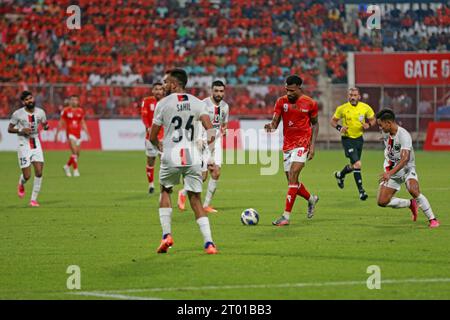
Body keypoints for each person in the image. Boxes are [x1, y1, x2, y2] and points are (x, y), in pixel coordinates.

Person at [150, 68, 219, 254]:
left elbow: (152, 135)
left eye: (166, 82)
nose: (163, 85)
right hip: (193, 156)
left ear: (173, 84)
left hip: (171, 154)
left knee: (165, 190)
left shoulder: (163, 104)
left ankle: (167, 236)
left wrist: (159, 146)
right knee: (195, 199)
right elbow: (211, 130)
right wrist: (208, 154)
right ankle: (209, 243)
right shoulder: (198, 103)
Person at [264, 75, 320, 226]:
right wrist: (270, 126)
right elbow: (275, 123)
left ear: (299, 88)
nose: (288, 93)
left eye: (292, 90)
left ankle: (286, 216)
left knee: (294, 174)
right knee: (291, 181)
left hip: (303, 144)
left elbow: (315, 125)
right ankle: (311, 199)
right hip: (288, 145)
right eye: (286, 90)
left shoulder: (310, 103)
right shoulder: (281, 102)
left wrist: (312, 146)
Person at [376, 109, 440, 228]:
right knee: (382, 202)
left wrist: (389, 173)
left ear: (388, 123)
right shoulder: (386, 133)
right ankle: (410, 204)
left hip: (406, 169)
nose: (380, 128)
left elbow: (405, 159)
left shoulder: (404, 135)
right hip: (391, 170)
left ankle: (433, 219)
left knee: (413, 190)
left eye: (381, 125)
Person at [178, 80, 229, 213]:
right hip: (203, 140)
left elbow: (224, 124)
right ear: (212, 91)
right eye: (216, 91)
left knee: (216, 172)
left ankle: (206, 205)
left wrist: (224, 129)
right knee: (203, 176)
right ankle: (183, 193)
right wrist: (199, 138)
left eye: (221, 91)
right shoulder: (203, 104)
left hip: (216, 141)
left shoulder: (225, 107)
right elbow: (196, 121)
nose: (219, 93)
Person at [330, 87, 376, 200]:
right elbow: (333, 121)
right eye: (351, 95)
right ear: (348, 96)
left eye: (355, 95)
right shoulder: (342, 108)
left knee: (354, 165)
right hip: (347, 139)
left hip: (359, 139)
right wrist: (340, 128)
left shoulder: (365, 108)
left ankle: (340, 175)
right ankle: (361, 191)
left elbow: (373, 119)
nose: (352, 97)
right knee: (358, 164)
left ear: (359, 96)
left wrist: (368, 125)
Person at [8, 91, 49, 207]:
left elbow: (45, 123)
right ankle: (21, 182)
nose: (29, 101)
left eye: (30, 98)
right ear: (23, 102)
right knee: (27, 176)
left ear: (33, 98)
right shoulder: (18, 114)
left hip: (36, 143)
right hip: (24, 145)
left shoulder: (41, 112)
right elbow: (9, 129)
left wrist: (46, 127)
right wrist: (21, 131)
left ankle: (33, 200)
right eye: (26, 100)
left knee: (39, 172)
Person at [55, 95, 90, 177]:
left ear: (78, 101)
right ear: (70, 101)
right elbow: (61, 122)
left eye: (76, 100)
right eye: (72, 100)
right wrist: (57, 134)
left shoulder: (80, 111)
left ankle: (67, 166)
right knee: (74, 151)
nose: (74, 101)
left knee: (77, 154)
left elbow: (82, 122)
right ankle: (75, 170)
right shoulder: (66, 110)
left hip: (78, 134)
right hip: (70, 134)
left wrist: (87, 133)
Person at [140, 82, 165, 194]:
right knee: (151, 161)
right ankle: (151, 185)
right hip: (150, 136)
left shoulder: (166, 101)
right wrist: (148, 127)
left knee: (164, 161)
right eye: (156, 89)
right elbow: (144, 116)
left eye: (160, 89)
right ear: (152, 91)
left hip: (164, 136)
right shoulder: (147, 101)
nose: (159, 91)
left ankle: (164, 184)